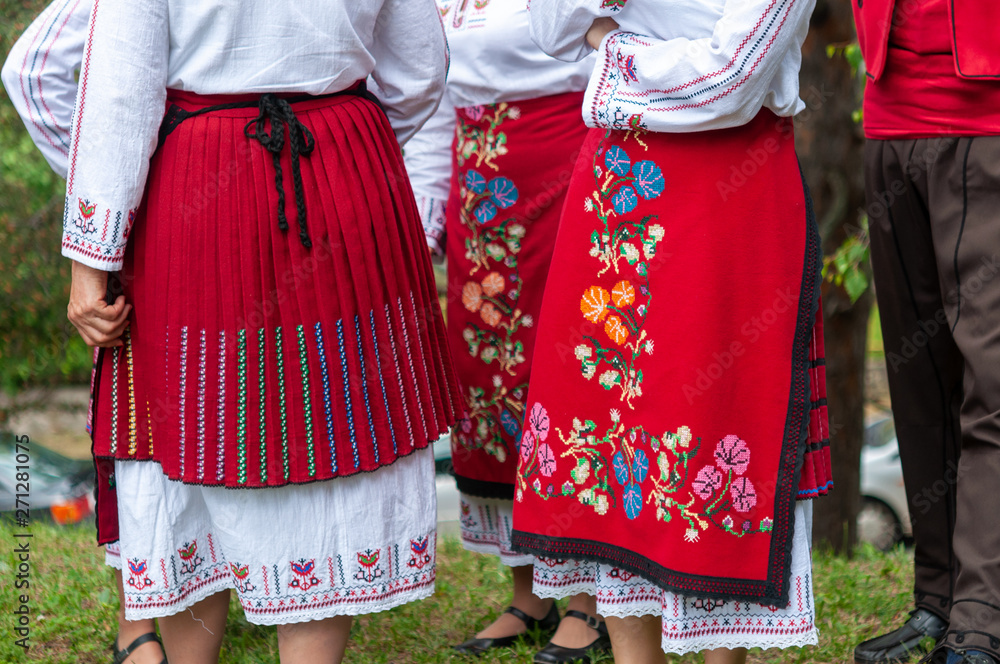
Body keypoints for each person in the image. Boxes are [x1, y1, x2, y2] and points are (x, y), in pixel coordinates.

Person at [52, 0, 462, 662]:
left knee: (192, 420)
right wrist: (341, 133)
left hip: (202, 176)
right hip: (346, 166)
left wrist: (90, 259)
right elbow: (421, 71)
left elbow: (122, 88)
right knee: (335, 424)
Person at [511, 0, 832, 661]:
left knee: (715, 415)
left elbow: (729, 81)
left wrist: (610, 44)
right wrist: (606, 31)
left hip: (727, 188)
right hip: (617, 181)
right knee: (614, 429)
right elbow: (548, 29)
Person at [403, 2, 607, 661]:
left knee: (570, 378)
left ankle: (591, 601)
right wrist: (427, 219)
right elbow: (435, 98)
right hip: (481, 184)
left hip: (570, 167)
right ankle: (528, 591)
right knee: (488, 384)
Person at [2, 3, 165, 662]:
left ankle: (177, 609)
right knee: (149, 409)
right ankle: (143, 613)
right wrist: (113, 180)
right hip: (174, 194)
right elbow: (34, 72)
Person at [850, 2, 1000, 664]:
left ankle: (982, 614)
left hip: (988, 122)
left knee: (990, 387)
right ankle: (936, 600)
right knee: (919, 383)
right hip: (890, 120)